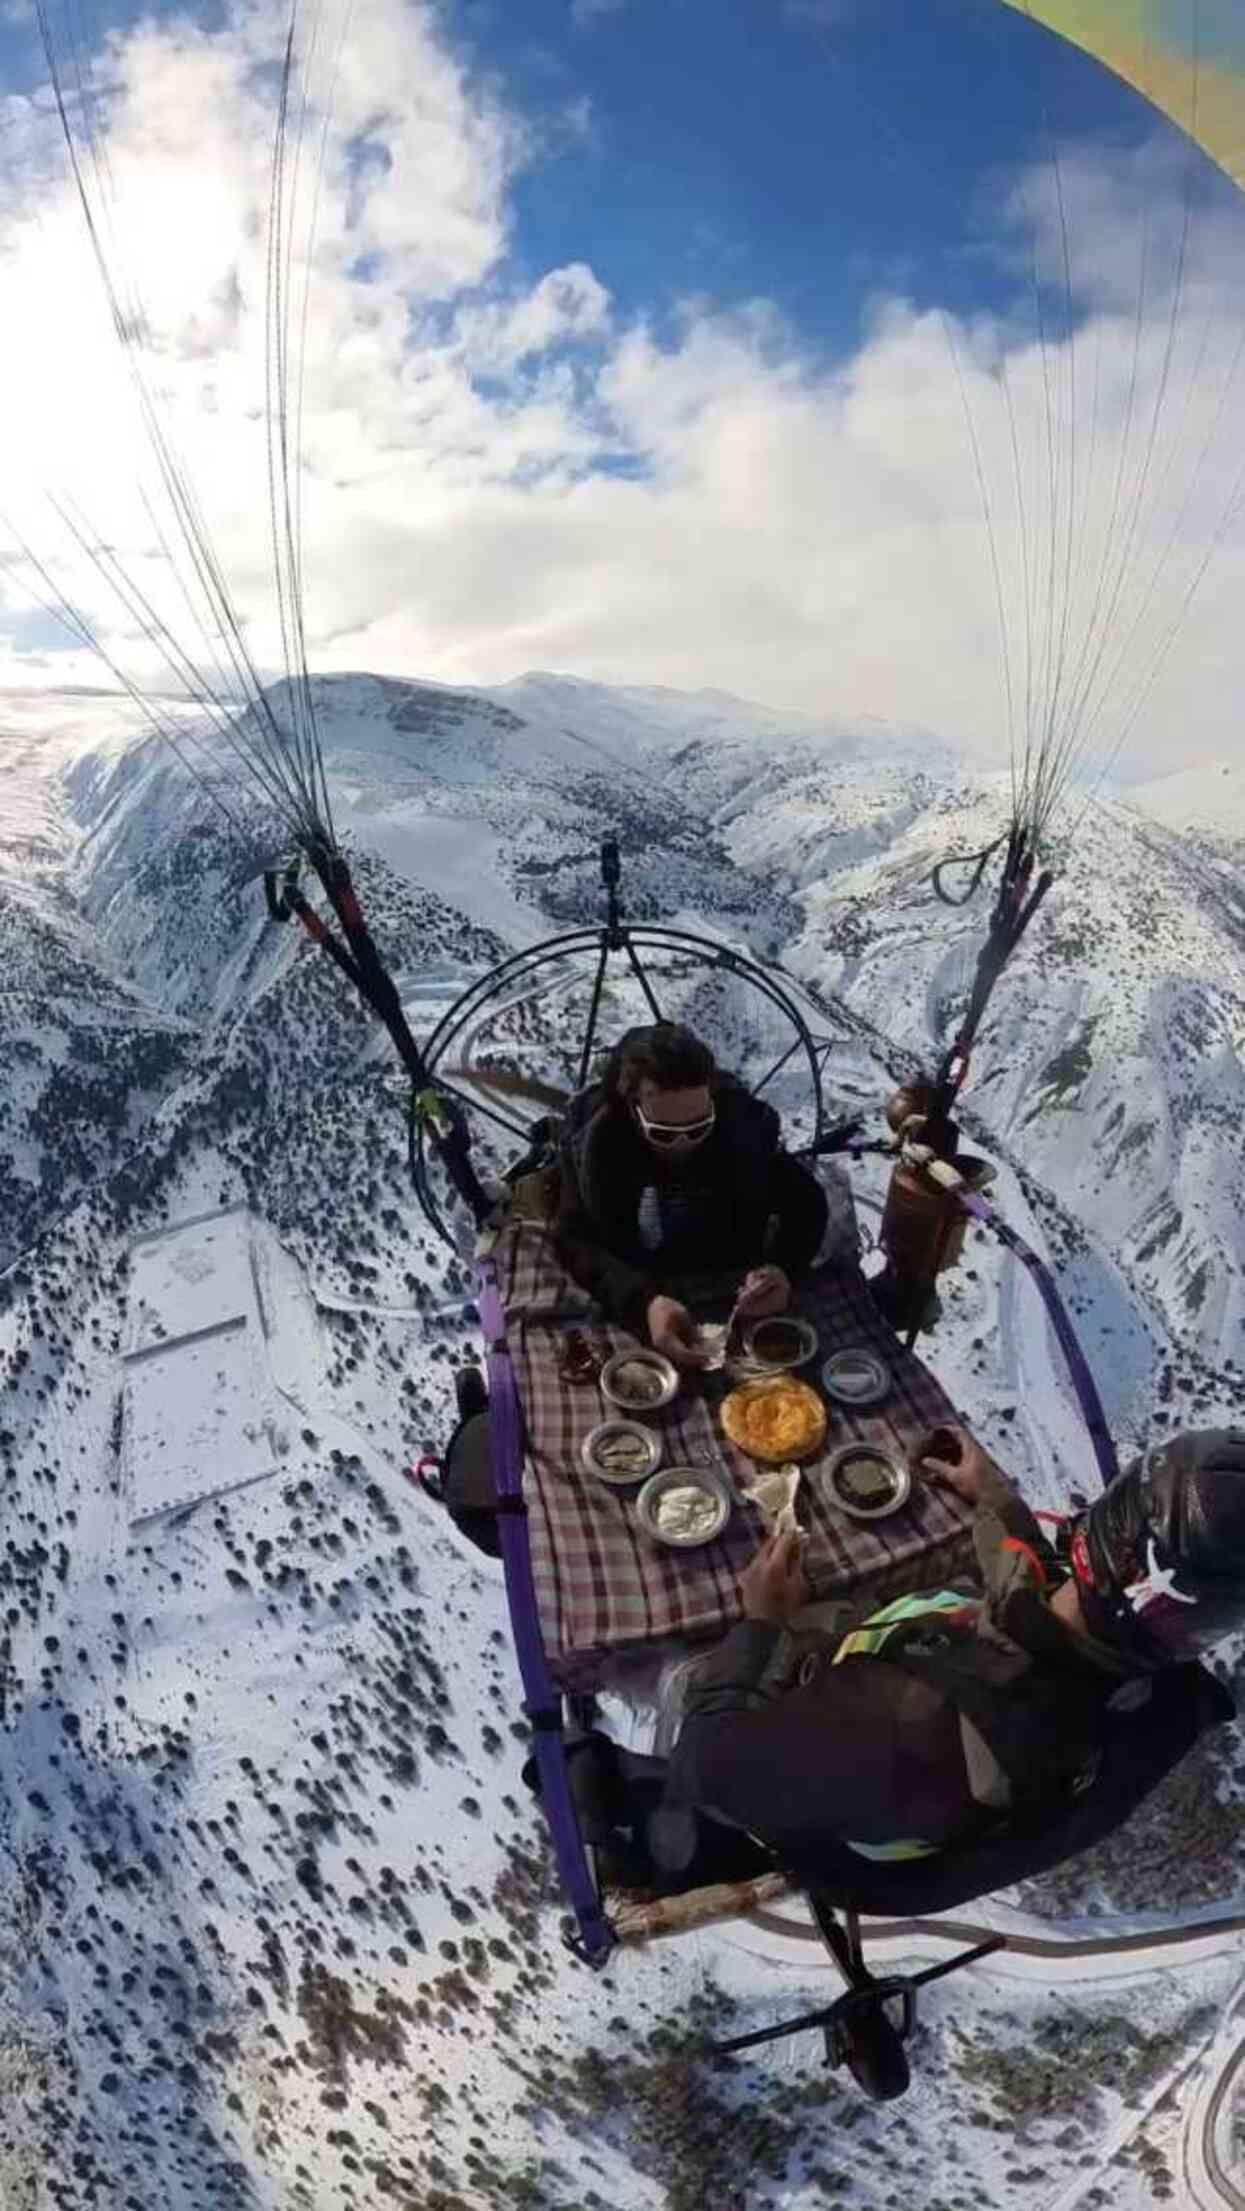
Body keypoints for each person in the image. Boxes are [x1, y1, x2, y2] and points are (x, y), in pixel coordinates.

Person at [661, 1423, 1245, 1880]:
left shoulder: (908, 1721)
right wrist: (998, 1503)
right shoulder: (1140, 1695)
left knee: (668, 1672)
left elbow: (706, 1767)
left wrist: (761, 1626)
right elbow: (1054, 1612)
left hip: (851, 1773)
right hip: (921, 1750)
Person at [554, 1022, 830, 1365]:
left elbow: (807, 1203)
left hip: (732, 1286)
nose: (684, 1144)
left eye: (699, 1127)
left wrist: (783, 1269)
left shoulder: (740, 1131)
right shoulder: (596, 1150)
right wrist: (643, 1302)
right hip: (638, 1281)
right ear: (631, 1110)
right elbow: (574, 1238)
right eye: (664, 1133)